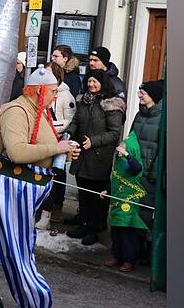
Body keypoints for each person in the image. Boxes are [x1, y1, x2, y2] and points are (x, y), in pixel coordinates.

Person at [0, 66, 80, 308]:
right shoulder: (17, 111)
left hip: (19, 189)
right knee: (18, 248)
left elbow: (41, 147)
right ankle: (37, 306)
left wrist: (64, 153)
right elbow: (17, 152)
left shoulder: (37, 111)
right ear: (38, 91)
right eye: (53, 91)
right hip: (10, 188)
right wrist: (57, 149)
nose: (55, 96)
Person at [62, 69, 126, 245]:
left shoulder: (112, 104)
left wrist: (93, 141)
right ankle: (83, 224)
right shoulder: (83, 101)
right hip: (82, 152)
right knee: (83, 191)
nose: (91, 84)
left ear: (102, 83)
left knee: (96, 194)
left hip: (99, 156)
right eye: (89, 81)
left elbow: (114, 133)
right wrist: (69, 132)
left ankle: (94, 229)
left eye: (95, 81)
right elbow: (76, 121)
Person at [36, 62, 76, 229]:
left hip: (57, 140)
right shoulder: (39, 91)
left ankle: (48, 213)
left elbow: (70, 121)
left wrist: (51, 127)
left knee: (55, 178)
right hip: (42, 139)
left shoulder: (66, 96)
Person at [130, 79, 164, 265]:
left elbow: (163, 149)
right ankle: (134, 250)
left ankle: (147, 251)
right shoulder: (139, 114)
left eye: (143, 93)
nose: (139, 96)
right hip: (135, 169)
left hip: (150, 173)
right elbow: (131, 138)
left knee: (146, 213)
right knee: (134, 210)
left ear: (154, 96)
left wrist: (154, 173)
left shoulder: (163, 118)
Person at [104, 132, 149, 272]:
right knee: (116, 230)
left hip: (128, 202)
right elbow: (116, 178)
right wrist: (107, 190)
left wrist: (127, 154)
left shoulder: (131, 161)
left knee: (127, 232)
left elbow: (137, 168)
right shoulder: (120, 163)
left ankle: (129, 259)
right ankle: (116, 255)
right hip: (117, 200)